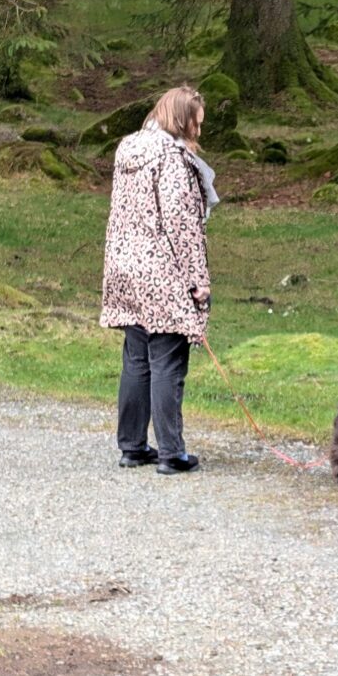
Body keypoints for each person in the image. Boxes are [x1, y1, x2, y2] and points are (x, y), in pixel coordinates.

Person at [100, 85, 218, 475]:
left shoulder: (129, 148)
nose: (198, 132)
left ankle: (132, 446)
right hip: (162, 271)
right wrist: (199, 280)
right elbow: (182, 226)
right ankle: (172, 453)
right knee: (168, 358)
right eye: (195, 124)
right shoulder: (171, 159)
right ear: (180, 119)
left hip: (125, 267)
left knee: (136, 358)